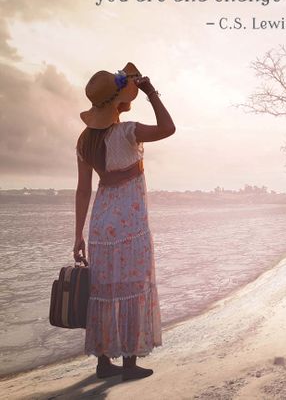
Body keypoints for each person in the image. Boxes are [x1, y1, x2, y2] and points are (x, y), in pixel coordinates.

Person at [73, 62, 175, 381]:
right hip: (131, 225)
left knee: (104, 290)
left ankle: (103, 363)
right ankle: (129, 363)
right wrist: (151, 93)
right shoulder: (129, 132)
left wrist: (78, 235)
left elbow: (83, 190)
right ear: (119, 101)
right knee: (134, 287)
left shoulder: (84, 141)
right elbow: (168, 128)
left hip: (102, 224)